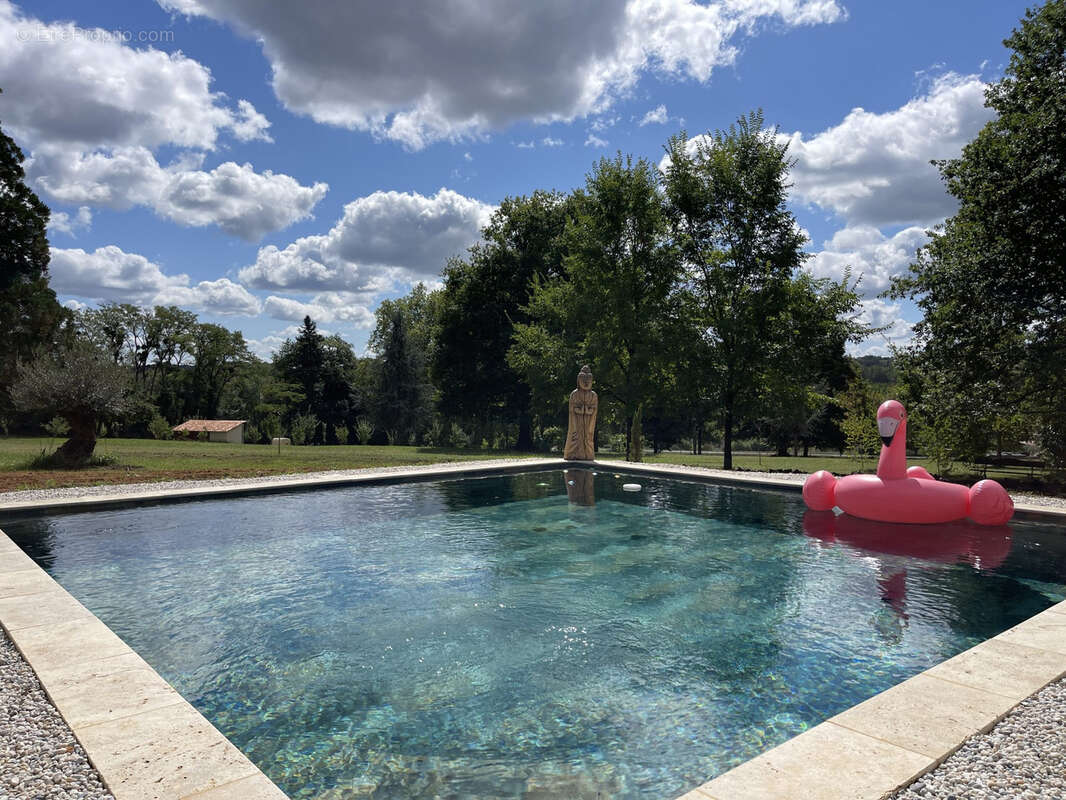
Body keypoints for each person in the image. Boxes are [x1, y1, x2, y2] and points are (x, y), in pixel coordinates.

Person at [563, 365, 598, 460]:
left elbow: (594, 409)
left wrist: (588, 411)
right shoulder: (574, 394)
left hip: (588, 421)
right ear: (578, 381)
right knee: (575, 437)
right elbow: (572, 409)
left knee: (588, 437)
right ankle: (572, 454)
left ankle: (588, 454)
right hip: (577, 421)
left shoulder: (593, 395)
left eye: (588, 381)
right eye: (583, 380)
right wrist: (579, 410)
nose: (586, 383)